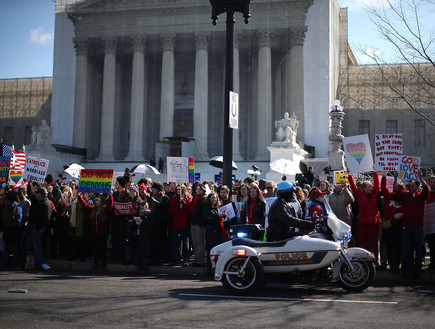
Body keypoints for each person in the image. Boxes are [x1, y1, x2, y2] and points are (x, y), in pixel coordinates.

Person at [394, 171, 429, 281]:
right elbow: (395, 190)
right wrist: (395, 178)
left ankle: (416, 274)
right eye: (409, 186)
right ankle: (405, 274)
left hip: (418, 227)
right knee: (406, 251)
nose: (410, 187)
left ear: (417, 187)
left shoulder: (422, 196)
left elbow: (427, 189)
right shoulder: (405, 195)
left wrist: (420, 177)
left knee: (418, 251)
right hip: (407, 227)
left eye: (413, 186)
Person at [348, 171, 381, 263]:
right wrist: (350, 175)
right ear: (364, 188)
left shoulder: (374, 195)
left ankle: (373, 259)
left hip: (373, 222)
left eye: (371, 186)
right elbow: (353, 187)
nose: (371, 188)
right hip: (362, 223)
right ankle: (363, 259)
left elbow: (377, 184)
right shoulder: (360, 195)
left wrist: (375, 173)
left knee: (373, 242)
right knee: (362, 242)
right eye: (369, 186)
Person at [78, 193, 113, 272]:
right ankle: (96, 265)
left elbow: (110, 205)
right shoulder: (93, 209)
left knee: (102, 250)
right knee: (95, 250)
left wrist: (110, 196)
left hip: (103, 234)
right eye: (97, 200)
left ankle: (102, 265)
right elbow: (85, 205)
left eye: (99, 201)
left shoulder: (104, 210)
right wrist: (79, 197)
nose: (97, 202)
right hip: (94, 233)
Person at [26, 185, 52, 270]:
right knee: (29, 246)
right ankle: (30, 264)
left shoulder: (46, 204)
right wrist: (29, 184)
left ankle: (38, 264)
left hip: (37, 228)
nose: (36, 194)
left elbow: (45, 219)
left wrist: (37, 228)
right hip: (31, 225)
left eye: (37, 193)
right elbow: (30, 194)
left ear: (41, 195)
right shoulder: (36, 200)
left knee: (37, 246)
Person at [147, 181, 171, 266]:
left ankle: (160, 259)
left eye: (154, 189)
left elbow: (164, 208)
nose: (152, 190)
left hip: (161, 223)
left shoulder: (164, 198)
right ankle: (153, 258)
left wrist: (155, 202)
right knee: (153, 241)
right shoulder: (151, 197)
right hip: (153, 222)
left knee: (161, 241)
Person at [169, 184, 192, 266]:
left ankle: (186, 258)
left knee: (186, 242)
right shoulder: (174, 199)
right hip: (175, 223)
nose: (178, 191)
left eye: (180, 190)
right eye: (177, 190)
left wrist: (184, 203)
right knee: (175, 242)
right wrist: (178, 208)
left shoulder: (188, 198)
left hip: (185, 223)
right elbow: (171, 211)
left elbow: (189, 210)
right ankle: (175, 257)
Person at [133, 201, 155, 275]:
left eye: (142, 209)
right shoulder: (139, 214)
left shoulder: (150, 215)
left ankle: (145, 268)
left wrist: (142, 221)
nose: (141, 210)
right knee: (138, 252)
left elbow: (151, 226)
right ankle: (139, 267)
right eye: (140, 209)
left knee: (145, 253)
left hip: (146, 237)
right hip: (139, 235)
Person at [190, 183, 207, 267]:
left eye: (200, 189)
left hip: (199, 224)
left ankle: (200, 260)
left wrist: (201, 222)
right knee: (195, 242)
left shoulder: (204, 199)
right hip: (194, 222)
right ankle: (197, 258)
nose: (198, 191)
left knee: (200, 242)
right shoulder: (195, 198)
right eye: (197, 189)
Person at [425, 176, 435, 272]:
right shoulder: (426, 194)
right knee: (432, 246)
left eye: (434, 182)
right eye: (431, 182)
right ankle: (432, 265)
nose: (433, 184)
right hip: (429, 227)